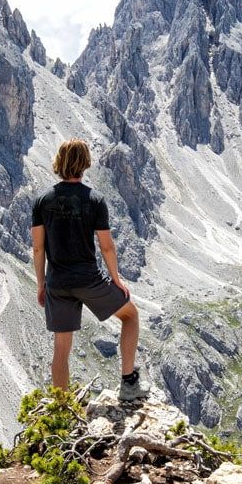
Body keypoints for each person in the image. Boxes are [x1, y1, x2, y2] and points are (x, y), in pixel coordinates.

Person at [31, 137, 148, 402]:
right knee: (130, 316)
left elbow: (38, 249)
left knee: (61, 348)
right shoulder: (94, 200)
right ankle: (129, 384)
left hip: (58, 283)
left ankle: (62, 410)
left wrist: (41, 285)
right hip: (89, 280)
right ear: (85, 164)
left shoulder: (42, 201)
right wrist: (116, 280)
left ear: (59, 163)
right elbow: (107, 247)